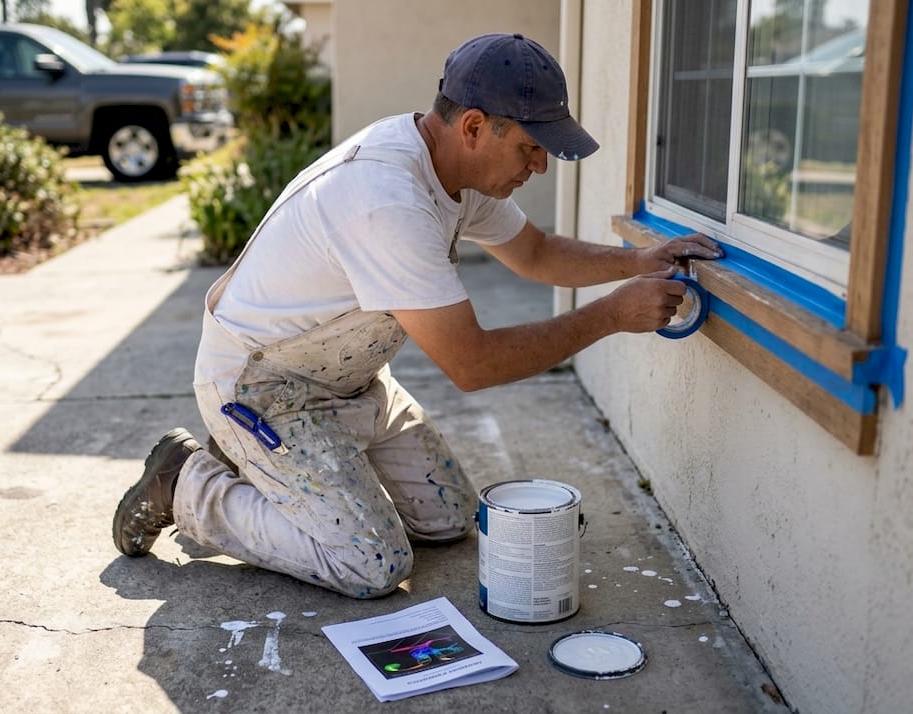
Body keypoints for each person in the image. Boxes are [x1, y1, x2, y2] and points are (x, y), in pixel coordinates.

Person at [111, 32, 721, 598]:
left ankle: (282, 467)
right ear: (476, 127)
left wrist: (640, 260)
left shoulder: (453, 166)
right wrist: (611, 316)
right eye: (532, 148)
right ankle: (188, 482)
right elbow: (472, 364)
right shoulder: (387, 199)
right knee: (373, 563)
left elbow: (535, 253)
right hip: (261, 389)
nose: (539, 166)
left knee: (451, 520)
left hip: (349, 384)